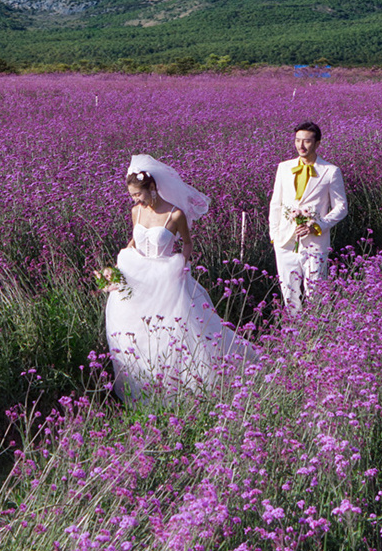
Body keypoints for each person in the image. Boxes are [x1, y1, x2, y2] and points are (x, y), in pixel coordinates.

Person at [101, 154, 259, 402]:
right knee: (136, 332)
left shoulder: (175, 215)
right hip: (137, 279)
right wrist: (117, 267)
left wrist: (180, 268)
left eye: (138, 194)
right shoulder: (136, 212)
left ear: (151, 188)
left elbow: (187, 244)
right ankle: (144, 387)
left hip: (165, 278)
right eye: (132, 196)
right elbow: (133, 241)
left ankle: (183, 390)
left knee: (173, 333)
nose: (135, 200)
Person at [268, 121, 347, 311]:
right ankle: (294, 334)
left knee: (316, 293)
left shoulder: (330, 171)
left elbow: (341, 207)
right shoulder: (284, 168)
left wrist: (318, 225)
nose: (301, 146)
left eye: (307, 141)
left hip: (315, 242)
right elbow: (275, 204)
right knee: (289, 293)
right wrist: (274, 236)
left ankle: (317, 333)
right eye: (297, 140)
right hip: (285, 242)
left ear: (317, 143)